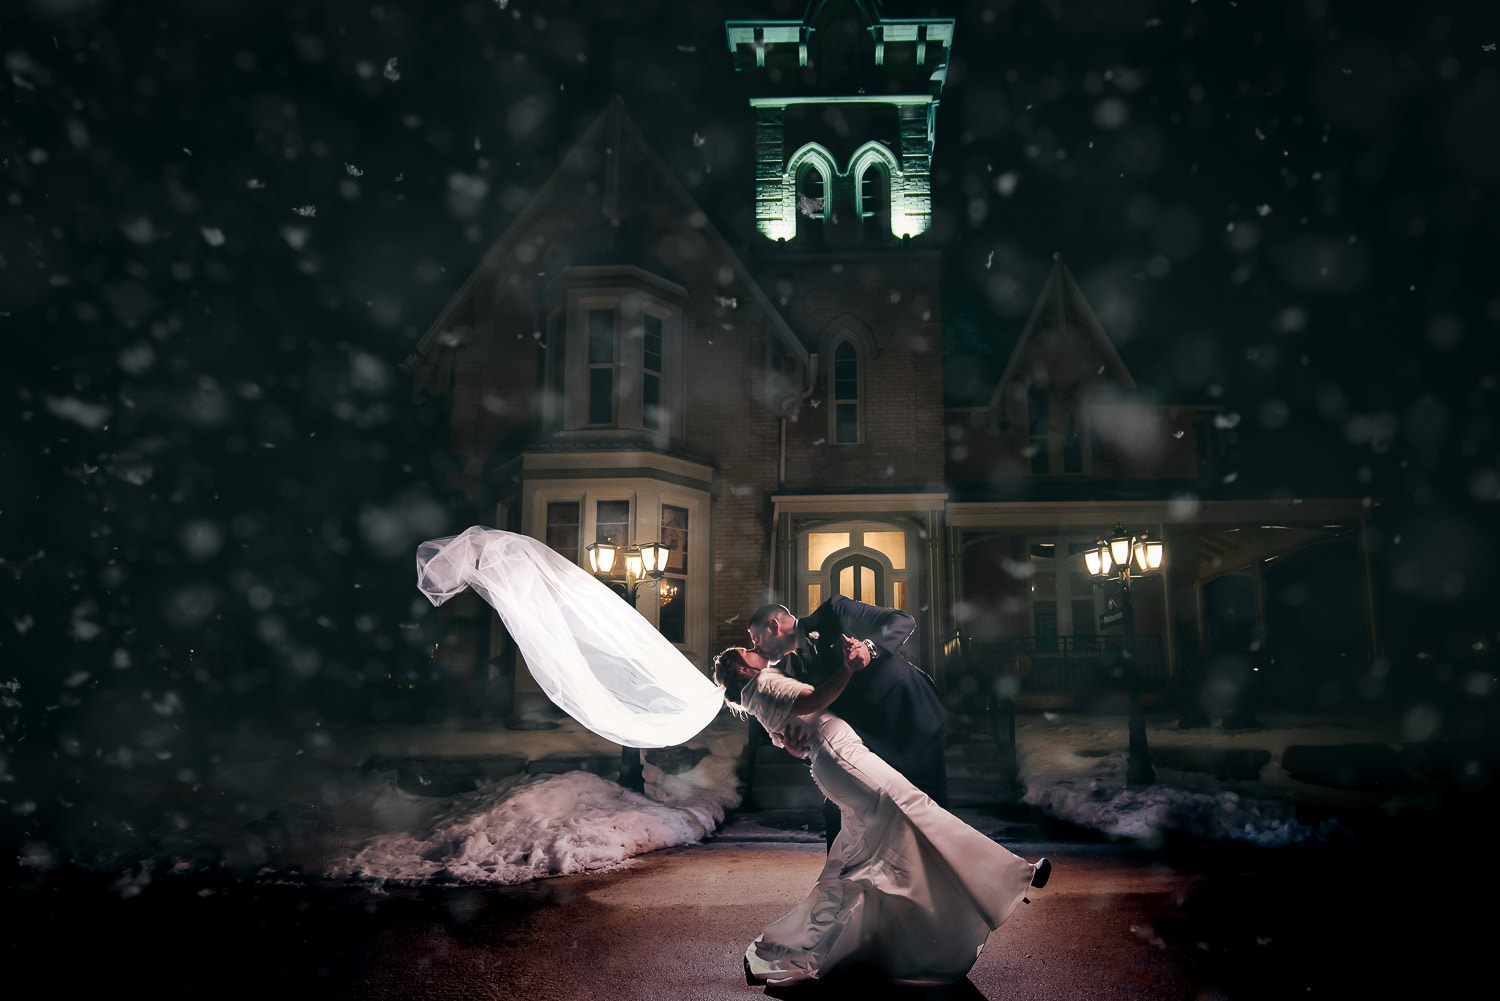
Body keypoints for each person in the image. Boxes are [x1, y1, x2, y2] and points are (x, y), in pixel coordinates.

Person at [713, 644, 1051, 988]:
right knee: (917, 809)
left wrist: (800, 735)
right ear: (742, 669)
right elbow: (813, 701)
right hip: (842, 758)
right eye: (746, 650)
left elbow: (790, 741)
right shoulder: (766, 684)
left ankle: (868, 945)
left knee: (862, 857)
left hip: (833, 763)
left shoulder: (755, 696)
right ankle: (1013, 876)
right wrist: (847, 668)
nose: (755, 648)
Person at [747, 597, 949, 848]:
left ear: (773, 626)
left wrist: (868, 648)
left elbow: (902, 620)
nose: (756, 648)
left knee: (929, 813)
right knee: (837, 810)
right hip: (860, 740)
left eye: (756, 639)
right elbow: (807, 720)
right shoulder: (789, 672)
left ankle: (943, 874)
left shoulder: (834, 610)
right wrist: (796, 748)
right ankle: (842, 880)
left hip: (909, 717)